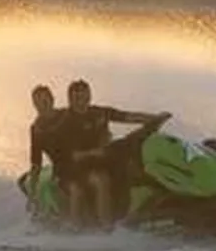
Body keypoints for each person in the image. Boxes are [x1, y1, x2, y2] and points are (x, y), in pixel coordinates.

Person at [64, 78, 170, 229]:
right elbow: (72, 155)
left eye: (85, 95)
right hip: (80, 167)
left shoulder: (99, 112)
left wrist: (153, 118)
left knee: (134, 161)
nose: (82, 100)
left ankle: (151, 209)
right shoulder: (65, 121)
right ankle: (106, 227)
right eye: (77, 97)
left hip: (105, 157)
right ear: (70, 99)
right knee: (102, 179)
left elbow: (128, 116)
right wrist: (95, 152)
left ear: (89, 95)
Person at [25, 84, 71, 215]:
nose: (42, 106)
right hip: (60, 169)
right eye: (37, 103)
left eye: (45, 101)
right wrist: (32, 192)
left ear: (52, 99)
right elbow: (36, 161)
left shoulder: (67, 115)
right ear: (34, 105)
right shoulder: (37, 129)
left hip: (81, 161)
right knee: (54, 187)